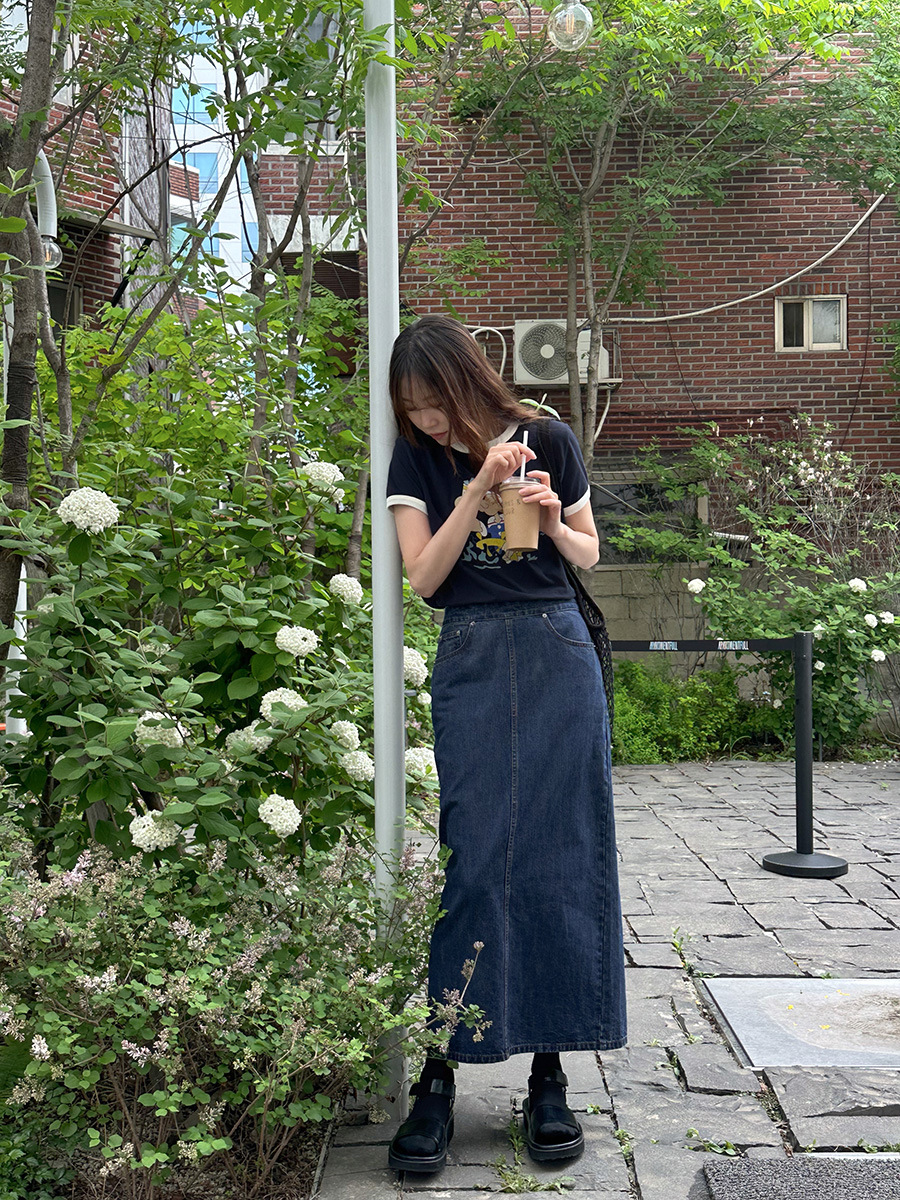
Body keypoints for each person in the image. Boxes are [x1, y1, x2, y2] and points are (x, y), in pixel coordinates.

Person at [385, 315, 626, 1175]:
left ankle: (550, 1072)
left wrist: (551, 519)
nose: (426, 420)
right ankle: (440, 1071)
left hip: (558, 648)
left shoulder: (548, 437)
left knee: (564, 853)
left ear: (467, 383)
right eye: (412, 408)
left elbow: (587, 555)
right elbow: (423, 578)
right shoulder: (416, 458)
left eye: (435, 403)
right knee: (474, 860)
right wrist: (472, 489)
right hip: (474, 651)